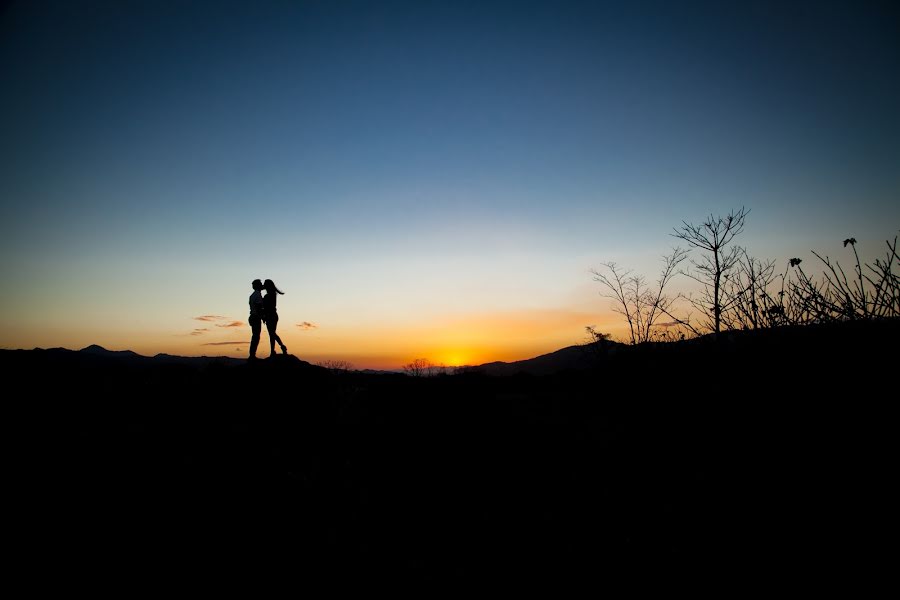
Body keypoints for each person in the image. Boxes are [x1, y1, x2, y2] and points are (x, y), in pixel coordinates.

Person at [263, 279, 288, 356]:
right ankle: (275, 350)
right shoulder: (273, 294)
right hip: (273, 315)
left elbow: (265, 307)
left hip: (270, 316)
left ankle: (278, 348)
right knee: (272, 334)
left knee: (272, 334)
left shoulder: (268, 296)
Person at [248, 279, 265, 360]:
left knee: (255, 336)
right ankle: (252, 355)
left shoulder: (252, 295)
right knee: (256, 336)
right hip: (256, 317)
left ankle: (252, 355)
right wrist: (263, 317)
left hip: (252, 317)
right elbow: (259, 308)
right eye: (260, 284)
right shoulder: (257, 295)